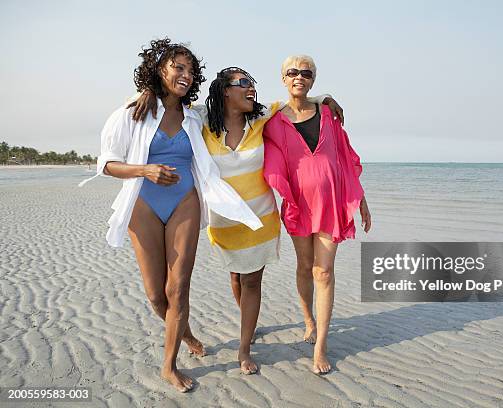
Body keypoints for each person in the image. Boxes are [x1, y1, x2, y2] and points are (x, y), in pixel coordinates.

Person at [131, 66, 344, 375]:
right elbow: (173, 102)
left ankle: (244, 348)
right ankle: (243, 320)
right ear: (224, 91)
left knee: (252, 280)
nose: (250, 89)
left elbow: (296, 102)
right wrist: (149, 91)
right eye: (243, 83)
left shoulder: (260, 117)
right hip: (224, 220)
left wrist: (325, 98)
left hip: (260, 218)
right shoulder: (203, 120)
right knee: (236, 277)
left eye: (252, 84)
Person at [79, 39, 262, 391]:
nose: (186, 75)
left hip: (185, 201)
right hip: (143, 202)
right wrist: (144, 170)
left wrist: (318, 101)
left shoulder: (195, 117)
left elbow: (236, 110)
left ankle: (169, 365)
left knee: (178, 288)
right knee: (155, 295)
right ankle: (188, 335)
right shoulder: (132, 112)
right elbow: (106, 164)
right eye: (178, 67)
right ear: (159, 69)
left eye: (191, 71)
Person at [263, 55, 371, 374]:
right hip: (298, 204)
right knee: (304, 266)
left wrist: (360, 199)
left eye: (306, 73)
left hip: (331, 203)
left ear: (313, 79)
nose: (299, 77)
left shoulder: (327, 112)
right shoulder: (272, 119)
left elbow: (345, 158)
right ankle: (308, 319)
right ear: (283, 78)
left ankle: (321, 346)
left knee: (323, 272)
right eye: (292, 72)